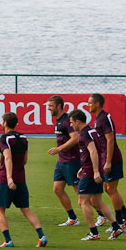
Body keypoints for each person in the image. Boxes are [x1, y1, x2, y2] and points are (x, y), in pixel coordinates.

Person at [0, 113, 47, 248]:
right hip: (21, 179)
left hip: (6, 180)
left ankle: (8, 241)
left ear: (5, 122)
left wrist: (9, 178)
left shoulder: (5, 138)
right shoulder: (24, 138)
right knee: (26, 210)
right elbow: (25, 160)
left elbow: (8, 158)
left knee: (0, 210)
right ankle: (42, 236)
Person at [69, 110, 123, 241]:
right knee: (97, 201)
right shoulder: (92, 131)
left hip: (91, 172)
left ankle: (94, 232)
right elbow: (97, 150)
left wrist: (94, 171)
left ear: (77, 121)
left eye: (71, 123)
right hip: (93, 169)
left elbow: (93, 151)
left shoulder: (83, 135)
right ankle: (116, 226)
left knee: (83, 201)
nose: (71, 126)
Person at [88, 93, 126, 230]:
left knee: (111, 189)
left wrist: (108, 161)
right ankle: (125, 217)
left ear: (97, 104)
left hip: (112, 159)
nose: (88, 105)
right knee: (108, 189)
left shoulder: (104, 118)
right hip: (104, 158)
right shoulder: (98, 119)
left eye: (90, 103)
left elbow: (110, 140)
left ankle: (119, 221)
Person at [45, 95, 81, 226]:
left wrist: (58, 149)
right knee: (57, 189)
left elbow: (75, 138)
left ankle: (101, 215)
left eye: (50, 106)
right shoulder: (58, 120)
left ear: (59, 106)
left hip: (72, 160)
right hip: (62, 161)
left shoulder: (67, 120)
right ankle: (73, 218)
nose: (48, 108)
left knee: (80, 192)